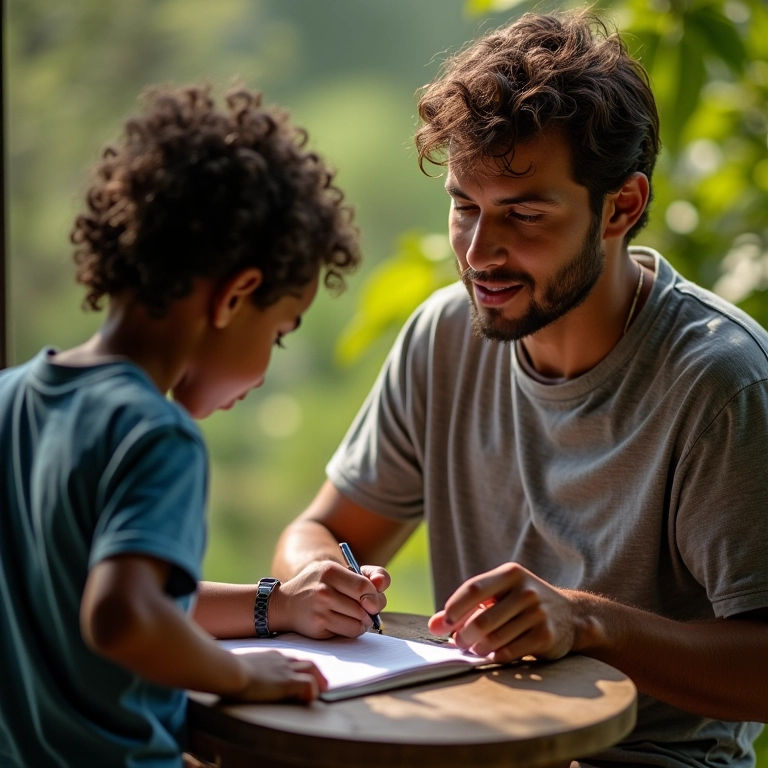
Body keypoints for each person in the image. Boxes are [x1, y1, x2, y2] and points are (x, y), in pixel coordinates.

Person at [272, 10, 768, 768]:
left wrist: (588, 624)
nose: (479, 253)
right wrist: (322, 577)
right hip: (471, 743)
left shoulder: (721, 382)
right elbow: (316, 532)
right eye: (464, 208)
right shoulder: (443, 335)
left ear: (622, 207)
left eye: (524, 214)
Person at [0, 83, 373, 768]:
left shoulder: (10, 399)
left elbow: (121, 592)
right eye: (279, 331)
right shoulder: (155, 435)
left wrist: (279, 607)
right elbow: (123, 615)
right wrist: (243, 677)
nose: (266, 366)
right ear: (235, 297)